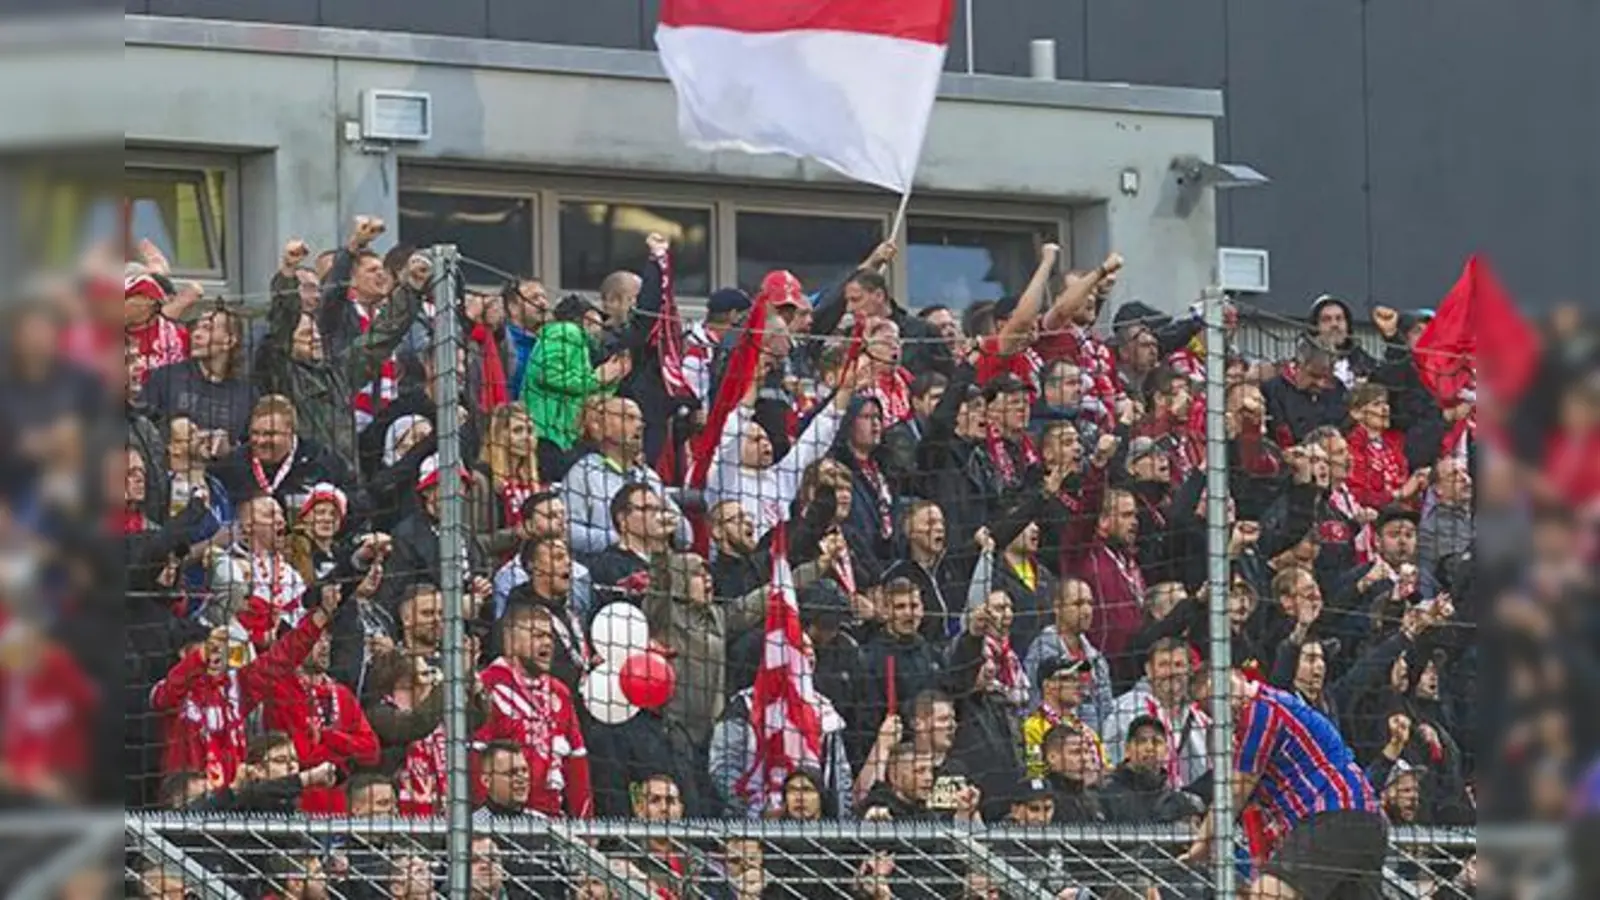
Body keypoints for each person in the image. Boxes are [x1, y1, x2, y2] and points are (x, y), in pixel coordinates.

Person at [1183, 670, 1387, 900]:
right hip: (1365, 820)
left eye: (1226, 691)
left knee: (1268, 894)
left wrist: (1203, 842)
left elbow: (1237, 791)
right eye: (1213, 706)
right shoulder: (1255, 728)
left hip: (1334, 813)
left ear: (1239, 677)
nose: (1227, 704)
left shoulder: (1262, 709)